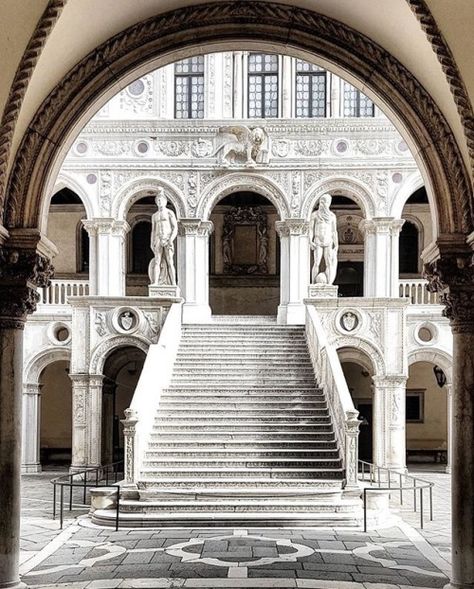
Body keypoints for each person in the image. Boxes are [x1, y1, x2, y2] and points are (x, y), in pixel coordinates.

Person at [149, 188, 178, 285]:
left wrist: (171, 239)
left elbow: (175, 228)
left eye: (161, 200)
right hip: (158, 238)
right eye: (158, 201)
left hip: (167, 238)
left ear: (165, 201)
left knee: (170, 262)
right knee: (157, 261)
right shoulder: (154, 215)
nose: (159, 202)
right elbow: (153, 230)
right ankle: (156, 282)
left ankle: (173, 283)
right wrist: (151, 242)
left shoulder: (170, 213)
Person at [309, 193, 338, 284]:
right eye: (322, 201)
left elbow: (334, 231)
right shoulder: (315, 215)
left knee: (328, 263)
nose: (323, 203)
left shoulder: (332, 216)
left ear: (328, 203)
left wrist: (336, 245)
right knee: (316, 262)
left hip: (328, 242)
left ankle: (329, 284)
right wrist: (310, 241)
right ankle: (313, 283)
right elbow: (310, 229)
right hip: (318, 241)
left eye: (325, 201)